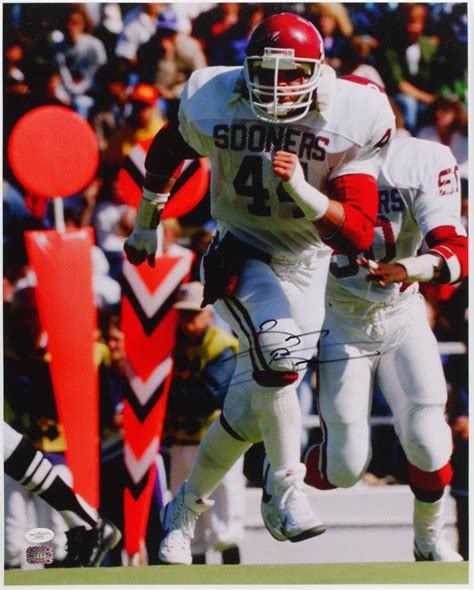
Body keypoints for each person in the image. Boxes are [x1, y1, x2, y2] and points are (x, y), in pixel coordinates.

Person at [124, 12, 395, 565]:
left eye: (292, 73)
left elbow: (359, 231)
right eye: (264, 72)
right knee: (277, 358)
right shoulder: (213, 96)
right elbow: (169, 149)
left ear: (317, 71)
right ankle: (284, 487)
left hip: (308, 261)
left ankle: (183, 509)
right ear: (243, 67)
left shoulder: (352, 111)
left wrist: (301, 188)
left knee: (251, 410)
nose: (276, 85)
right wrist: (147, 220)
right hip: (241, 247)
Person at [303, 137, 467, 561]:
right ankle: (280, 474)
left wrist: (407, 268)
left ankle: (428, 538)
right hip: (340, 319)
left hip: (401, 313)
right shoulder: (313, 157)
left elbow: (459, 253)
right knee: (345, 466)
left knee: (430, 439)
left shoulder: (418, 160)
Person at [164, 282, 244, 564]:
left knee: (224, 509)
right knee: (184, 507)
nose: (187, 322)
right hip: (181, 439)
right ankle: (194, 566)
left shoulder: (222, 344)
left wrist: (167, 395)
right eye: (183, 315)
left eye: (193, 314)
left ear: (209, 314)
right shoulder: (171, 344)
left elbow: (209, 396)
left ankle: (232, 572)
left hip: (217, 438)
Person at [4, 421, 121, 567]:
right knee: (11, 545)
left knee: (55, 544)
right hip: (19, 463)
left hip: (58, 461)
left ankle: (53, 564)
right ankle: (25, 566)